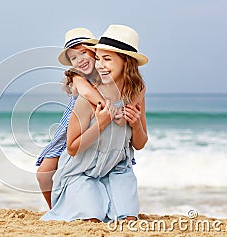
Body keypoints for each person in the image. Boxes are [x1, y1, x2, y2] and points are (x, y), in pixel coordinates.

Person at [41, 24, 148, 222]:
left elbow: (140, 144)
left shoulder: (136, 93)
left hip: (116, 170)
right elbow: (72, 148)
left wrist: (136, 125)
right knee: (91, 219)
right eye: (98, 58)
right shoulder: (86, 92)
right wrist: (101, 122)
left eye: (106, 59)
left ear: (126, 62)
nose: (99, 65)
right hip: (82, 170)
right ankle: (63, 202)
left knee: (128, 220)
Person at [35, 28, 107, 209]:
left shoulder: (106, 75)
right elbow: (87, 93)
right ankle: (55, 209)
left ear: (95, 52)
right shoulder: (76, 77)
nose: (80, 60)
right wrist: (106, 107)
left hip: (95, 130)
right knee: (44, 174)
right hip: (69, 131)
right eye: (74, 58)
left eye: (83, 53)